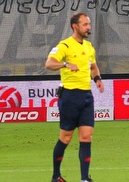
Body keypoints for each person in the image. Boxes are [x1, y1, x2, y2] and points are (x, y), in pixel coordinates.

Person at [45, 12, 105, 182]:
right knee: (65, 138)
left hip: (87, 96)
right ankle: (56, 176)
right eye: (85, 24)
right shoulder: (64, 45)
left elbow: (93, 66)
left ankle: (85, 178)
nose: (89, 28)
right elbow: (49, 64)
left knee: (86, 137)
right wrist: (65, 64)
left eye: (89, 24)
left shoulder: (89, 46)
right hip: (70, 96)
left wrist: (97, 79)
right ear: (75, 26)